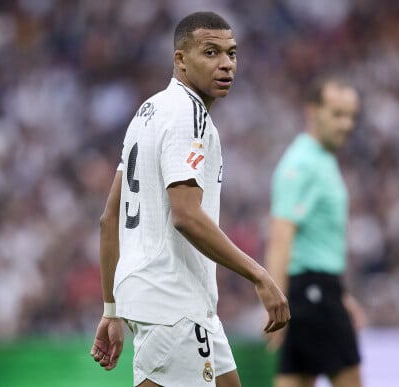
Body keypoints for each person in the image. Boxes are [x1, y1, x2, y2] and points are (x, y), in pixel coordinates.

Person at [90, 11, 290, 387]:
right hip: (172, 303)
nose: (226, 64)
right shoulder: (188, 115)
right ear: (180, 59)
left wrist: (111, 310)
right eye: (211, 53)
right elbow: (186, 215)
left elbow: (109, 218)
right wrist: (260, 276)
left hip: (178, 301)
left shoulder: (146, 112)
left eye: (232, 53)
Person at [264, 77, 367, 387]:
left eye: (351, 116)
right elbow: (281, 234)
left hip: (316, 291)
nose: (346, 124)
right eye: (337, 114)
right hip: (312, 292)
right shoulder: (303, 163)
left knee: (294, 380)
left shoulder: (321, 160)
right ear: (312, 111)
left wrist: (341, 293)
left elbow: (319, 240)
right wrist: (274, 303)